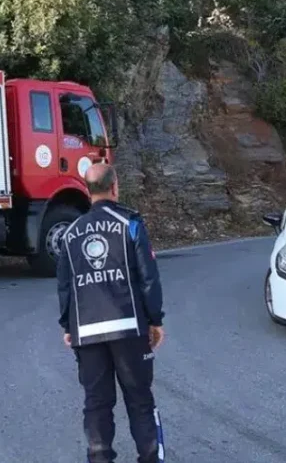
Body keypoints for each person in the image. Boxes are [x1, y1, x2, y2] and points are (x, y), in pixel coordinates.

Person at [57, 162, 166, 463]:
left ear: (88, 191)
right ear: (115, 187)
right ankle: (150, 458)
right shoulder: (130, 224)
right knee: (140, 401)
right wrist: (155, 320)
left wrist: (68, 325)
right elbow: (148, 278)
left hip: (87, 332)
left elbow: (65, 286)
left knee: (96, 405)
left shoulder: (70, 234)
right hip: (129, 328)